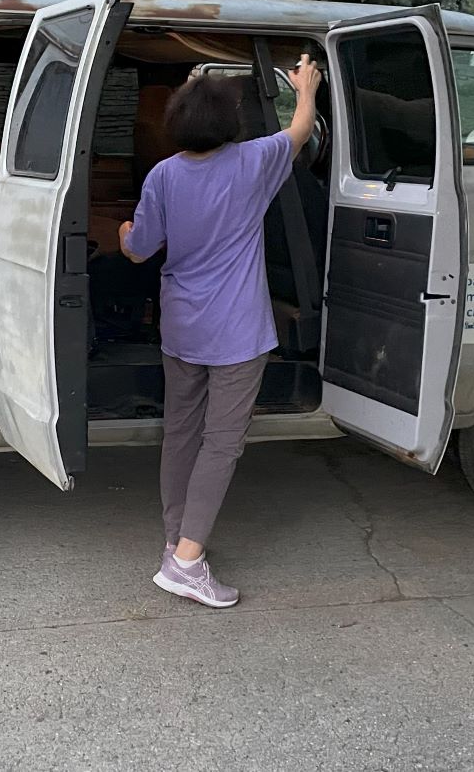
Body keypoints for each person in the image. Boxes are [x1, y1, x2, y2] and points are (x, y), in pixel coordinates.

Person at [118, 54, 323, 608]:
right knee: (222, 442)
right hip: (236, 331)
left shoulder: (163, 175)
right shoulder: (252, 163)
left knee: (181, 433)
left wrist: (123, 232)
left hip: (181, 327)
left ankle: (175, 542)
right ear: (232, 125)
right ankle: (187, 562)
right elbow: (300, 132)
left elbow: (138, 251)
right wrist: (305, 88)